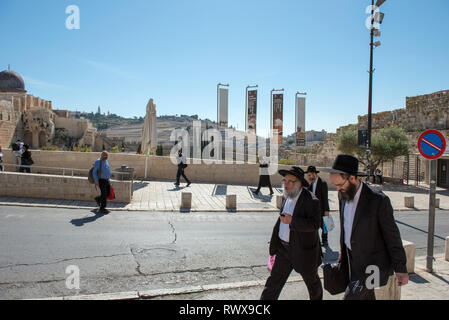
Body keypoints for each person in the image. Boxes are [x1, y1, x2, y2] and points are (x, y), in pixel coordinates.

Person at [324, 154, 408, 300]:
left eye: (340, 185)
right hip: (352, 261)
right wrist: (343, 252)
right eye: (335, 185)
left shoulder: (378, 200)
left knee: (351, 297)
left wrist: (400, 268)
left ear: (352, 178)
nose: (337, 189)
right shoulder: (343, 195)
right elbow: (346, 227)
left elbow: (392, 236)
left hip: (373, 266)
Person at [260, 166, 323, 300]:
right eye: (285, 181)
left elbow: (314, 224)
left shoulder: (312, 201)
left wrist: (293, 221)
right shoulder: (287, 196)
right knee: (273, 284)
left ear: (299, 183)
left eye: (290, 182)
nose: (286, 184)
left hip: (303, 252)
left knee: (313, 285)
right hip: (284, 250)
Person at [305, 166, 330, 247]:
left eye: (310, 175)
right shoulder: (310, 183)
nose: (308, 177)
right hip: (313, 209)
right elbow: (306, 195)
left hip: (322, 208)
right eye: (308, 175)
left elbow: (325, 198)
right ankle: (315, 240)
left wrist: (327, 210)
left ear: (314, 174)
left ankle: (325, 240)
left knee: (324, 225)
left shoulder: (323, 183)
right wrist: (308, 185)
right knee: (314, 225)